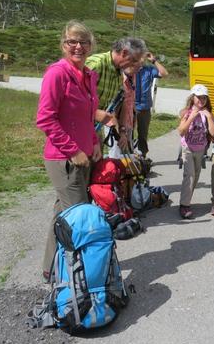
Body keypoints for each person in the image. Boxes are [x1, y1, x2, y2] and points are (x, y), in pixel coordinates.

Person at [36, 21, 103, 282]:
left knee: (62, 213)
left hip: (83, 156)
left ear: (91, 46)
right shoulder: (57, 74)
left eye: (83, 42)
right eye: (71, 42)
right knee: (79, 219)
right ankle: (78, 275)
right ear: (63, 45)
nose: (78, 46)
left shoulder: (88, 75)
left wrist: (95, 141)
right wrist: (73, 151)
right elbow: (45, 119)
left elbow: (87, 117)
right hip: (64, 159)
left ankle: (51, 268)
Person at [86, 37, 147, 153]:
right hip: (79, 130)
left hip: (94, 130)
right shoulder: (96, 65)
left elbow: (112, 106)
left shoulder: (118, 73)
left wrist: (121, 130)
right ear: (124, 53)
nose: (133, 65)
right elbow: (72, 102)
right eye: (134, 60)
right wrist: (94, 113)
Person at [177, 84, 214, 219]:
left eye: (204, 98)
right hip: (187, 148)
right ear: (192, 97)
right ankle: (184, 205)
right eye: (198, 97)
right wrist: (191, 117)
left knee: (196, 176)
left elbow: (213, 132)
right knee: (189, 176)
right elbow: (181, 132)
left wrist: (210, 117)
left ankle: (186, 201)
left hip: (200, 149)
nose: (201, 100)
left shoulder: (207, 114)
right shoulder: (186, 112)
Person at [135, 52, 168, 158]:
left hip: (144, 107)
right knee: (127, 133)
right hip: (130, 107)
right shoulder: (130, 68)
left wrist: (153, 60)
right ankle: (127, 156)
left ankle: (142, 156)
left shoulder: (148, 69)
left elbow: (164, 73)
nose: (142, 59)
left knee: (143, 134)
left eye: (143, 56)